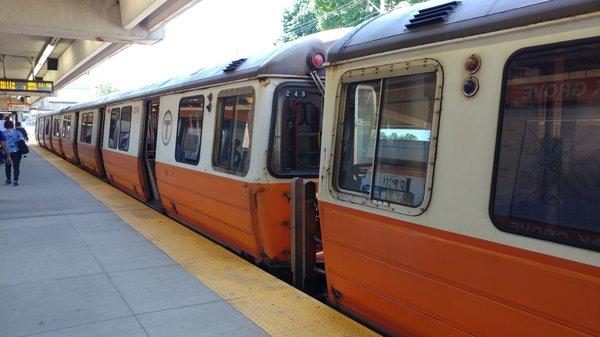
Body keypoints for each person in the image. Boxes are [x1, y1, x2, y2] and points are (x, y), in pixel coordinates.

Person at [3, 120, 24, 186]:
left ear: (5, 125)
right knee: (16, 166)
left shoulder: (3, 133)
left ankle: (8, 180)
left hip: (6, 152)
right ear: (12, 125)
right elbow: (22, 140)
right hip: (17, 152)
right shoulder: (18, 132)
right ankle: (15, 181)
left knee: (8, 166)